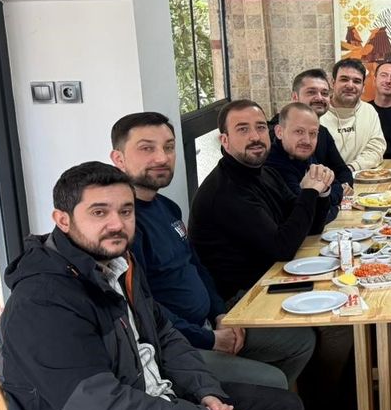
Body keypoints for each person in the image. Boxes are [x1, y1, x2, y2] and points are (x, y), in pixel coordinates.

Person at [0, 162, 304, 410]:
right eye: (99, 212)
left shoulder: (118, 263)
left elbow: (165, 335)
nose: (116, 224)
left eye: (126, 211)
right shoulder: (44, 301)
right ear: (62, 220)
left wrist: (207, 393)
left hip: (145, 407)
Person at [112, 112, 315, 391]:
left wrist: (220, 315)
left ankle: (259, 409)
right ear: (119, 158)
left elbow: (197, 267)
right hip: (177, 346)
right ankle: (259, 406)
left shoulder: (166, 207)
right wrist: (210, 339)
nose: (161, 157)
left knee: (300, 341)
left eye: (168, 147)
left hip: (211, 322)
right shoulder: (123, 227)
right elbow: (144, 310)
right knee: (273, 382)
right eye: (147, 148)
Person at [190, 100, 334, 303]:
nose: (255, 137)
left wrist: (322, 190)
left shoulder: (267, 173)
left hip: (275, 277)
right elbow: (283, 248)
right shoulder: (225, 191)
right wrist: (309, 192)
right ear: (225, 140)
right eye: (243, 129)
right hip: (244, 299)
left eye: (260, 127)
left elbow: (308, 227)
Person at [272, 69, 353, 199]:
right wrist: (331, 193)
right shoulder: (275, 137)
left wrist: (340, 187)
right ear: (295, 97)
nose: (319, 98)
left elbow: (341, 171)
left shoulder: (323, 132)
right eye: (311, 92)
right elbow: (299, 200)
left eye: (324, 93)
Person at [267, 101, 346, 220]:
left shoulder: (303, 155)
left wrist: (325, 199)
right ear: (279, 132)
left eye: (313, 133)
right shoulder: (272, 164)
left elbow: (337, 187)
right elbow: (308, 215)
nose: (307, 141)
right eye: (299, 131)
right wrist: (334, 208)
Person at [320, 58, 387, 172]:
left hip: (360, 175)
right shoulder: (319, 113)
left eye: (356, 81)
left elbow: (376, 149)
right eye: (344, 79)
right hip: (326, 179)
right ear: (332, 83)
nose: (350, 85)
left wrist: (351, 168)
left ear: (363, 87)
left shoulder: (369, 111)